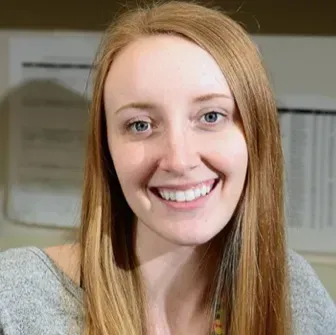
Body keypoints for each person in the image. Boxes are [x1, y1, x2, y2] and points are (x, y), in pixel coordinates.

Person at [0, 1, 336, 334]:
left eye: (211, 117)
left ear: (255, 136)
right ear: (106, 149)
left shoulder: (295, 295)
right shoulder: (16, 300)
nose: (178, 160)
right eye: (141, 125)